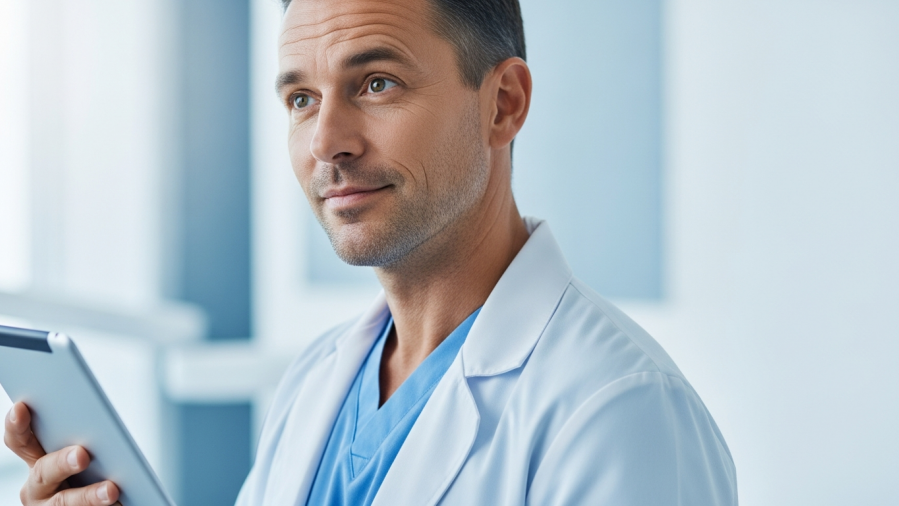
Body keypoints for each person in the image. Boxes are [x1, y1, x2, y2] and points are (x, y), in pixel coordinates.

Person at [5, 0, 738, 504]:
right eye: (301, 100)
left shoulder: (620, 412)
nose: (326, 142)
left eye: (376, 83)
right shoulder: (318, 383)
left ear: (503, 103)